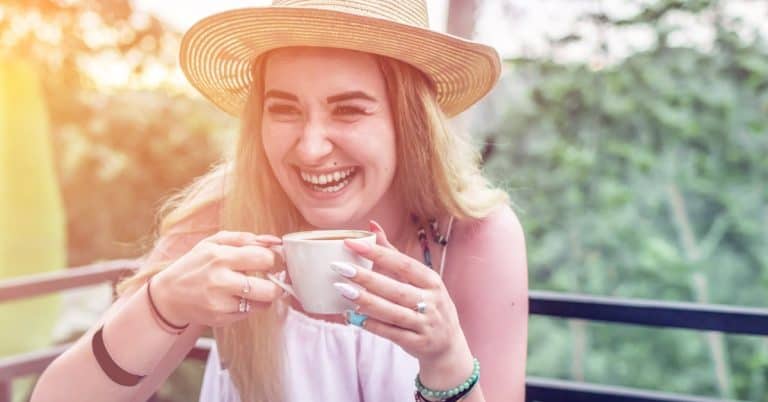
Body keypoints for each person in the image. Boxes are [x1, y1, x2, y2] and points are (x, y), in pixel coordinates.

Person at [31, 0, 528, 401]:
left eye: (348, 110)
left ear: (407, 121)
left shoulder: (473, 238)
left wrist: (446, 362)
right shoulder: (226, 211)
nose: (311, 148)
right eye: (284, 110)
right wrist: (164, 303)